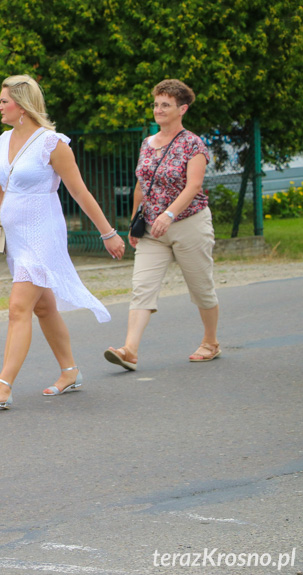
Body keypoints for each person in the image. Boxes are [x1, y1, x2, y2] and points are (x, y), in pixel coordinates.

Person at [0, 75, 126, 407]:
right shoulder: (2, 141)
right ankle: (70, 370)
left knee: (18, 307)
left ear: (23, 106)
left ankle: (3, 384)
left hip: (43, 235)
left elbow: (80, 192)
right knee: (43, 306)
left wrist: (108, 233)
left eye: (4, 101)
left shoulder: (52, 144)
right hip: (15, 238)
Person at [105, 79, 217, 371]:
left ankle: (210, 342)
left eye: (165, 104)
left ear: (182, 108)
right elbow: (141, 186)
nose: (158, 109)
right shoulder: (147, 143)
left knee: (201, 286)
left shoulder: (193, 143)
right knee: (142, 287)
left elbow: (194, 185)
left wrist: (169, 215)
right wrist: (133, 223)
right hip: (152, 230)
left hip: (188, 223)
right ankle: (129, 349)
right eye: (156, 104)